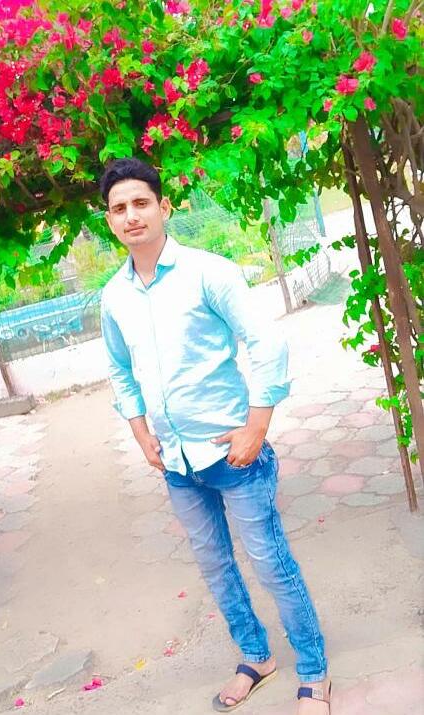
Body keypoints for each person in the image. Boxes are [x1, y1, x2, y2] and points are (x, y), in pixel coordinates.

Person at [99, 157, 331, 714]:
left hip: (234, 454)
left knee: (270, 563)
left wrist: (257, 426)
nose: (131, 216)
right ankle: (256, 656)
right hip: (177, 464)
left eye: (141, 202)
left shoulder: (208, 272)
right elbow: (121, 370)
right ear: (109, 220)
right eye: (119, 208)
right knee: (215, 567)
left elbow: (265, 342)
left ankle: (314, 671)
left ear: (163, 207)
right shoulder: (114, 297)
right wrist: (140, 432)